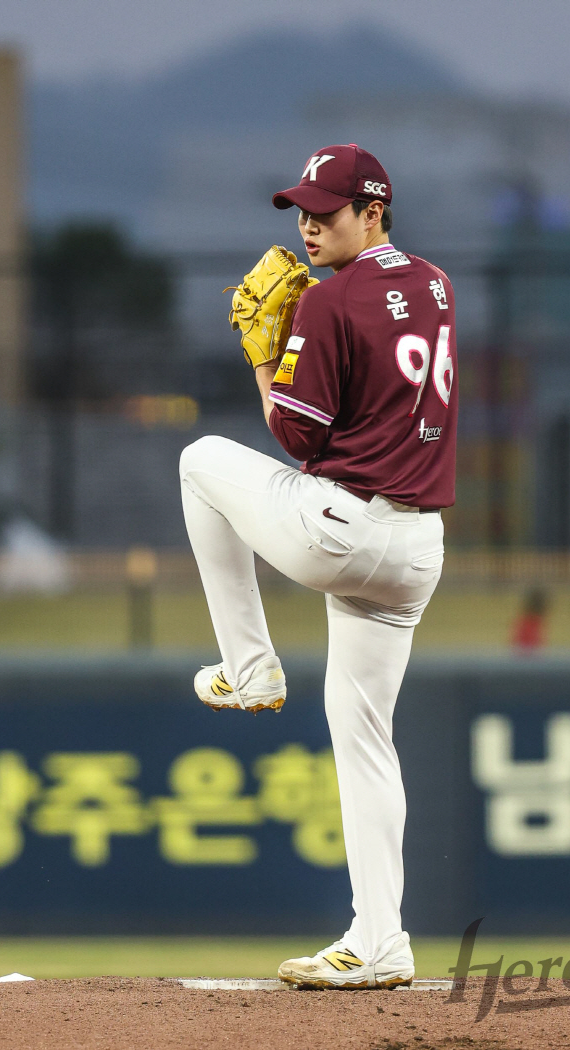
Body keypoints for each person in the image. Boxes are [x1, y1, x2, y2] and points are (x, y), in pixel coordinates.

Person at [179, 144, 458, 989]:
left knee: (199, 460)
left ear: (372, 212)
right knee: (366, 739)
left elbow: (297, 433)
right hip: (417, 550)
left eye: (327, 211)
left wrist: (265, 357)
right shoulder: (438, 286)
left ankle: (250, 667)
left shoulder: (330, 301)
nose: (308, 224)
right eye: (302, 209)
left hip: (343, 529)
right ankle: (381, 941)